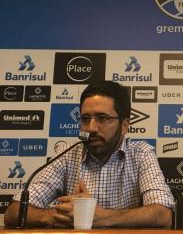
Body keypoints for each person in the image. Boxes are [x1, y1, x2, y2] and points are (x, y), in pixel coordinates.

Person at [5, 80, 174, 228]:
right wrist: (55, 217)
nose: (91, 128)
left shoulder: (141, 154)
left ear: (124, 125)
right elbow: (13, 212)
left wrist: (100, 218)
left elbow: (163, 215)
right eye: (85, 119)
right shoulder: (67, 153)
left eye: (102, 118)